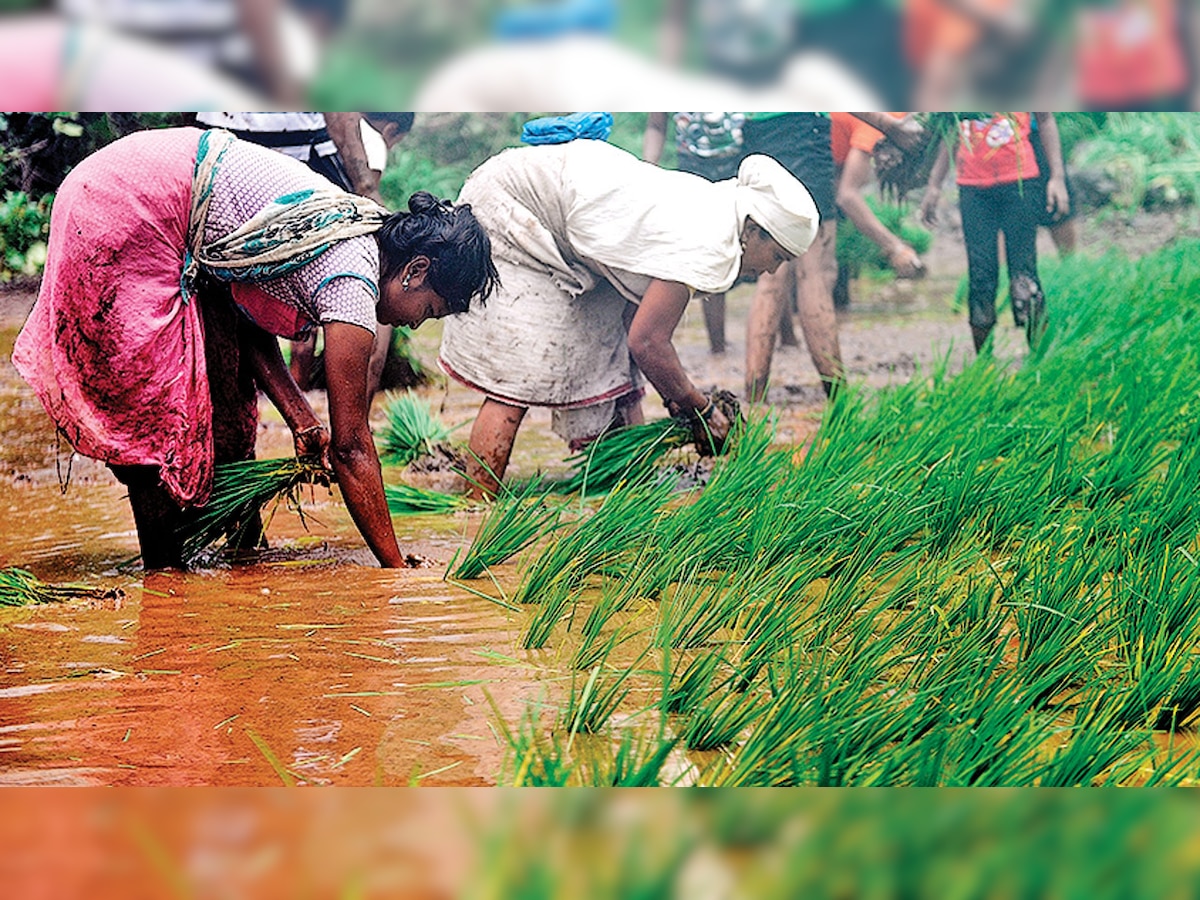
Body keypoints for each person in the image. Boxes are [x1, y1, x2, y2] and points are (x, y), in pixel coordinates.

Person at [12, 126, 497, 570]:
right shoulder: (353, 279)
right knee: (155, 415)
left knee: (227, 402)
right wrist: (394, 570)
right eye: (430, 310)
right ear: (414, 271)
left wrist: (301, 419)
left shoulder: (356, 228)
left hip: (138, 187)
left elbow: (243, 318)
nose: (415, 323)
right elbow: (351, 448)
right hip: (128, 205)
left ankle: (226, 559)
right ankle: (164, 581)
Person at [436, 139, 818, 497]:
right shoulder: (709, 240)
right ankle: (475, 508)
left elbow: (636, 329)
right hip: (515, 208)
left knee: (612, 358)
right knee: (521, 375)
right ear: (753, 230)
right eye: (778, 258)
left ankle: (628, 485)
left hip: (567, 225)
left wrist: (678, 402)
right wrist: (701, 408)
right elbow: (649, 342)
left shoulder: (717, 214)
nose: (771, 272)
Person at [194, 111, 415, 400]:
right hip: (294, 158)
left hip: (219, 152)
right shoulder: (370, 144)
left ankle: (290, 399)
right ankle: (341, 413)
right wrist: (369, 201)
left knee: (223, 294)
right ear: (391, 130)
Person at [741, 111, 925, 402]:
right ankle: (839, 399)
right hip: (802, 131)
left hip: (758, 132)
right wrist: (890, 125)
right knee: (815, 271)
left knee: (771, 277)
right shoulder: (876, 120)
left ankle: (754, 398)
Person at [919, 113, 1068, 353]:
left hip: (1020, 183)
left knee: (1024, 277)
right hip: (973, 189)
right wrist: (934, 184)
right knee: (980, 277)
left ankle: (1041, 360)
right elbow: (951, 131)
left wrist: (1057, 178)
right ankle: (985, 365)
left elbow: (1046, 120)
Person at [643, 112, 747, 352]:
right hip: (693, 163)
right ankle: (717, 348)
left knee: (762, 248)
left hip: (744, 158)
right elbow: (656, 126)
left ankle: (785, 339)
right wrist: (648, 171)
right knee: (711, 250)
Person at [829, 111, 925, 309]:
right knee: (814, 268)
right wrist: (896, 247)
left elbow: (839, 177)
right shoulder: (880, 124)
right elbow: (847, 196)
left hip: (819, 165)